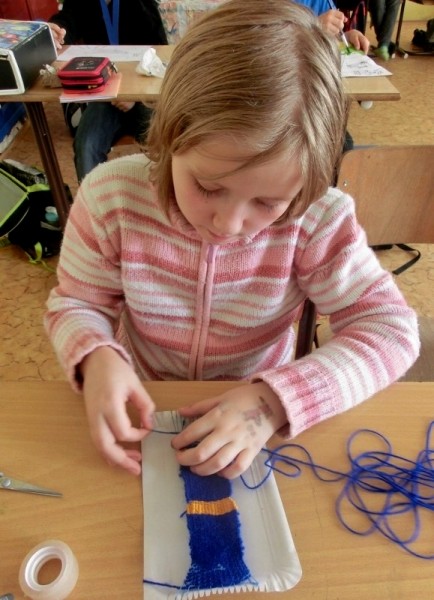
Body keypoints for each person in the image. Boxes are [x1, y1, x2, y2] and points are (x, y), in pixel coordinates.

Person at [45, 0, 419, 479]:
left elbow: (390, 330)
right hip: (146, 401)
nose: (228, 223)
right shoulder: (111, 196)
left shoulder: (317, 218)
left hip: (254, 416)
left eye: (268, 202)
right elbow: (77, 303)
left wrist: (272, 402)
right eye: (207, 187)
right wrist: (96, 356)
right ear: (170, 135)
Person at [48, 0, 167, 182]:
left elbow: (159, 52)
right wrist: (56, 31)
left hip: (143, 95)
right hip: (104, 95)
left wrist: (132, 94)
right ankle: (92, 198)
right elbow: (68, 21)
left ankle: (162, 196)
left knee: (162, 143)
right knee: (86, 146)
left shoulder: (142, 4)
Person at [295, 0, 370, 153]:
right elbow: (261, 43)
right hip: (282, 104)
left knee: (344, 145)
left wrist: (345, 38)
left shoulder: (321, 2)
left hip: (316, 98)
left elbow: (330, 36)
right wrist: (313, 28)